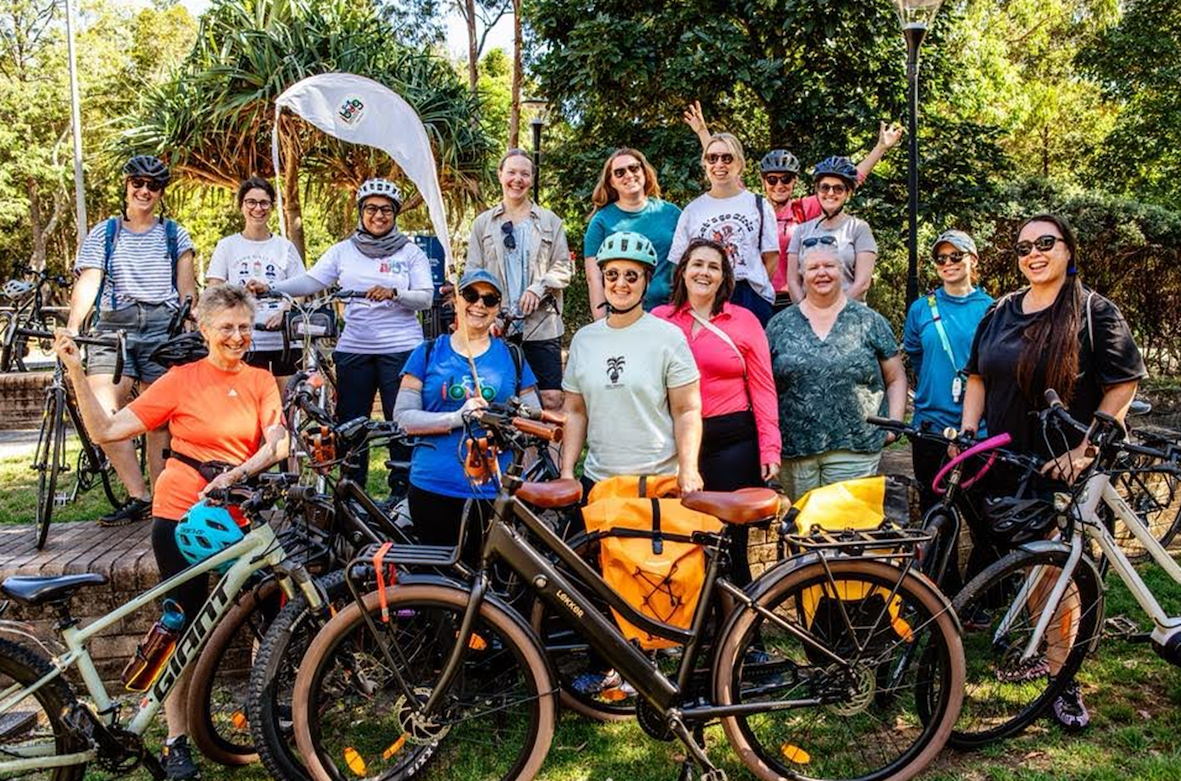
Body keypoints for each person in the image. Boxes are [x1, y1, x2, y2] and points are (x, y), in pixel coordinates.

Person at [53, 285, 287, 780]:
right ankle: (177, 740)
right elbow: (107, 431)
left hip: (240, 518)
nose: (237, 336)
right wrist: (76, 370)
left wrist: (238, 474)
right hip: (181, 516)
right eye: (225, 327)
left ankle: (266, 718)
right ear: (204, 330)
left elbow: (278, 443)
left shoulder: (261, 380)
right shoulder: (180, 380)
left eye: (244, 326)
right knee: (181, 628)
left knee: (270, 620)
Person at [960, 213, 1145, 731]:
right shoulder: (999, 311)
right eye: (1023, 247)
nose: (1034, 254)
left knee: (1056, 575)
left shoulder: (1093, 311)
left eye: (1046, 243)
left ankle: (1065, 681)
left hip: (1061, 466)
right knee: (1031, 571)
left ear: (1068, 249)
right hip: (1005, 462)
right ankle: (1045, 649)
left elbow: (1122, 383)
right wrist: (970, 433)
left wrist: (1085, 449)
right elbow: (976, 376)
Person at [248, 178, 433, 486]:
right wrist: (271, 288)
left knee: (401, 423)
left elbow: (425, 297)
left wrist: (395, 292)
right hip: (355, 349)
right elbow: (311, 281)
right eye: (371, 208)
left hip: (401, 349)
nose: (379, 215)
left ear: (396, 214)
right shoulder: (343, 251)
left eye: (386, 210)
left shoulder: (410, 252)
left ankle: (402, 493)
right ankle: (352, 490)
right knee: (351, 424)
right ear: (361, 211)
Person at [66, 155, 198, 527]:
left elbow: (186, 289)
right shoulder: (105, 232)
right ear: (126, 186)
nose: (144, 191)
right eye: (137, 183)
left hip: (162, 325)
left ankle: (162, 504)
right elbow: (90, 279)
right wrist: (73, 326)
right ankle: (137, 494)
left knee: (161, 421)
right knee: (102, 412)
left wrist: (190, 320)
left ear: (160, 193)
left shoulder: (174, 233)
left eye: (153, 186)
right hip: (114, 326)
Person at [653, 238, 779, 585]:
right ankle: (694, 627)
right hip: (674, 441)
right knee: (682, 536)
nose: (704, 272)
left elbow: (763, 387)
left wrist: (770, 446)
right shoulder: (660, 320)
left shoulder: (744, 321)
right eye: (698, 264)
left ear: (724, 278)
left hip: (732, 443)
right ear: (683, 271)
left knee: (733, 544)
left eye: (714, 267)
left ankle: (744, 634)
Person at [682, 100, 902, 296]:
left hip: (798, 296)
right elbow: (724, 170)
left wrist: (880, 148)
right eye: (772, 179)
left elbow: (850, 180)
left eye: (786, 179)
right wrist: (703, 132)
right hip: (760, 293)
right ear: (763, 181)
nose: (779, 185)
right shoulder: (752, 208)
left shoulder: (804, 209)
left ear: (794, 182)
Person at [393, 269, 539, 563]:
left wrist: (507, 419)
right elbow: (403, 418)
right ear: (456, 300)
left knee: (487, 589)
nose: (479, 304)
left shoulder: (512, 356)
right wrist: (456, 418)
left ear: (498, 307)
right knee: (437, 585)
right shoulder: (428, 352)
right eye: (471, 295)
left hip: (494, 492)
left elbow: (533, 419)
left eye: (490, 299)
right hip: (433, 486)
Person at [561, 231, 703, 497]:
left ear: (646, 281)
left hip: (657, 483)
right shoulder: (584, 340)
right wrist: (568, 471)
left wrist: (689, 467)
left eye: (631, 275)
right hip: (599, 483)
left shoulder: (668, 337)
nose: (621, 284)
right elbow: (575, 411)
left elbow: (686, 409)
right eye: (612, 274)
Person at [766, 242, 907, 500]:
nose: (822, 273)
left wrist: (894, 425)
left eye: (829, 266)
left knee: (846, 531)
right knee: (803, 530)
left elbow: (896, 377)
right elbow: (765, 387)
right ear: (802, 275)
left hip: (855, 446)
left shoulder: (869, 321)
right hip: (796, 450)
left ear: (841, 271)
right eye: (813, 267)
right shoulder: (779, 325)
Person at [902, 230, 994, 599]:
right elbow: (916, 354)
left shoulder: (992, 308)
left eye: (956, 256)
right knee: (935, 515)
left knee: (982, 517)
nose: (948, 264)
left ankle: (981, 594)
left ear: (973, 260)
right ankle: (941, 594)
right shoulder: (921, 309)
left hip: (980, 430)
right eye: (941, 258)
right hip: (930, 426)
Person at [467, 149, 573, 412]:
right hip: (498, 326)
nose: (518, 179)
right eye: (512, 172)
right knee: (500, 398)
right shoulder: (483, 224)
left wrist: (539, 288)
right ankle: (508, 454)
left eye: (524, 173)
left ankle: (547, 454)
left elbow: (564, 267)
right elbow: (473, 273)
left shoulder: (550, 221)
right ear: (500, 175)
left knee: (550, 399)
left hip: (542, 326)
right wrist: (487, 315)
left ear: (531, 178)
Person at [206, 176, 304, 397]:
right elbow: (214, 289)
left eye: (264, 203)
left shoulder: (284, 247)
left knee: (286, 403)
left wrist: (284, 313)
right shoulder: (227, 246)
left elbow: (301, 291)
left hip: (284, 339)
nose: (257, 208)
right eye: (251, 202)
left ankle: (287, 433)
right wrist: (238, 297)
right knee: (246, 403)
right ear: (241, 206)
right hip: (243, 340)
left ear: (271, 207)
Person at [666, 133, 779, 325]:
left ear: (739, 163)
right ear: (705, 164)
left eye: (727, 158)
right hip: (704, 296)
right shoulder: (693, 210)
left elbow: (771, 257)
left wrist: (754, 289)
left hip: (749, 296)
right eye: (712, 158)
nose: (719, 164)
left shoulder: (758, 205)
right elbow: (679, 263)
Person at [584, 147, 682, 316]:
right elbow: (594, 279)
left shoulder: (671, 213)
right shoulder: (601, 221)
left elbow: (686, 264)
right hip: (622, 315)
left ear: (644, 171)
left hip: (670, 312)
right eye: (619, 172)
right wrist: (601, 324)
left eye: (634, 168)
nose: (628, 175)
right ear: (611, 182)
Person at [785, 156, 879, 304]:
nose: (830, 193)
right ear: (816, 190)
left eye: (838, 189)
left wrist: (833, 312)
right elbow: (793, 281)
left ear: (848, 193)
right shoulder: (802, 231)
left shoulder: (859, 228)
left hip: (849, 314)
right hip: (808, 317)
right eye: (825, 187)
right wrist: (806, 311)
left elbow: (862, 284)